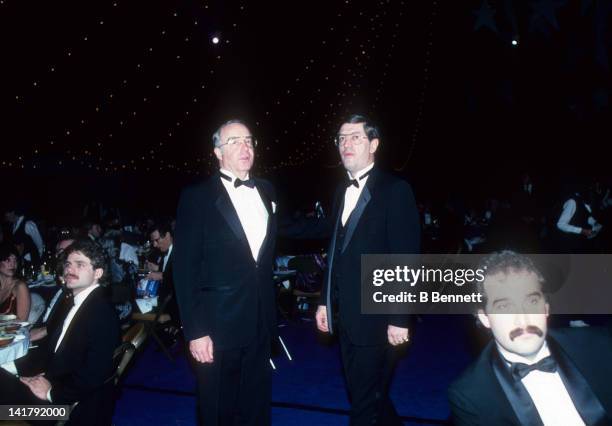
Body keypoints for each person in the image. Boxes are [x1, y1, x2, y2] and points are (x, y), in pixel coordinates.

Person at [315, 114, 421, 425]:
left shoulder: (395, 189)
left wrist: (400, 318)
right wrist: (324, 300)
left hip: (379, 316)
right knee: (369, 393)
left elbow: (407, 258)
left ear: (374, 144)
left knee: (364, 401)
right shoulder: (340, 192)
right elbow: (336, 252)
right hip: (346, 316)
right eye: (341, 138)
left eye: (355, 137)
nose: (346, 143)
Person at [174, 119, 278, 425]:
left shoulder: (268, 190)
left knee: (256, 407)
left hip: (261, 321)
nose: (245, 147)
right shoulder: (197, 197)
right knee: (217, 409)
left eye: (249, 141)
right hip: (217, 326)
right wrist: (195, 331)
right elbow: (184, 268)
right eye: (235, 142)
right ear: (218, 152)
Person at [448, 250, 612, 425]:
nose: (523, 318)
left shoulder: (600, 345)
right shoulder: (469, 395)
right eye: (504, 307)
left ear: (546, 308)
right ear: (485, 318)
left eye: (532, 302)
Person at [0, 239, 120, 426]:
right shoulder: (73, 303)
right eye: (68, 264)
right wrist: (16, 369)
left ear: (98, 273)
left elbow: (94, 376)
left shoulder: (102, 314)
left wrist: (50, 392)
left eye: (80, 264)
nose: (70, 269)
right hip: (54, 386)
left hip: (61, 410)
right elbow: (53, 352)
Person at [0, 243, 31, 321]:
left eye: (15, 260)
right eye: (8, 260)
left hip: (13, 332)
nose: (13, 264)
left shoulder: (20, 286)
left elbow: (22, 322)